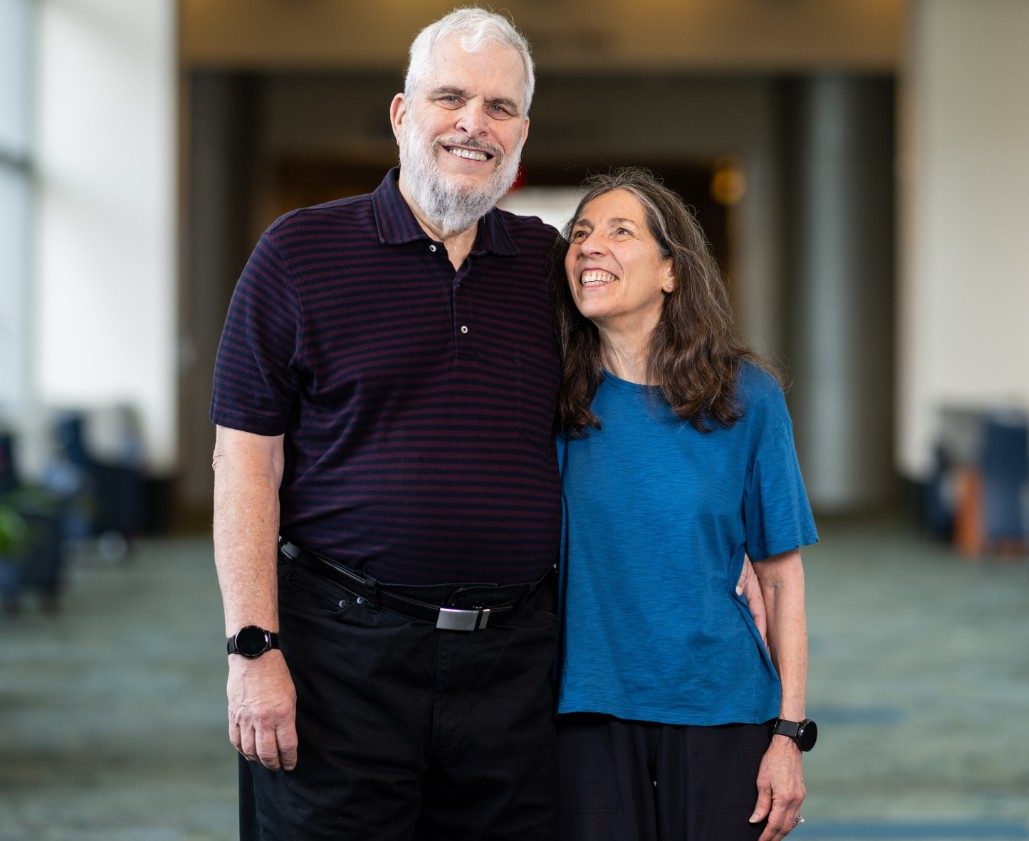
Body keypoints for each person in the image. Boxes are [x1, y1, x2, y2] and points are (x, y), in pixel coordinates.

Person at [210, 9, 563, 840]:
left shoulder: (548, 269)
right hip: (341, 660)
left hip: (515, 669)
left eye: (500, 107)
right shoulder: (296, 254)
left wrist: (718, 545)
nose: (474, 124)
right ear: (403, 115)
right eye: (451, 98)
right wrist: (253, 648)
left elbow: (641, 408)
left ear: (521, 134)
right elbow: (245, 467)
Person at [552, 168, 819, 841]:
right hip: (583, 709)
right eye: (580, 233)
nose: (590, 246)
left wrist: (788, 733)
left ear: (671, 270)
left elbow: (781, 579)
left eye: (619, 231)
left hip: (719, 704)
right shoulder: (550, 400)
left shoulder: (747, 396)